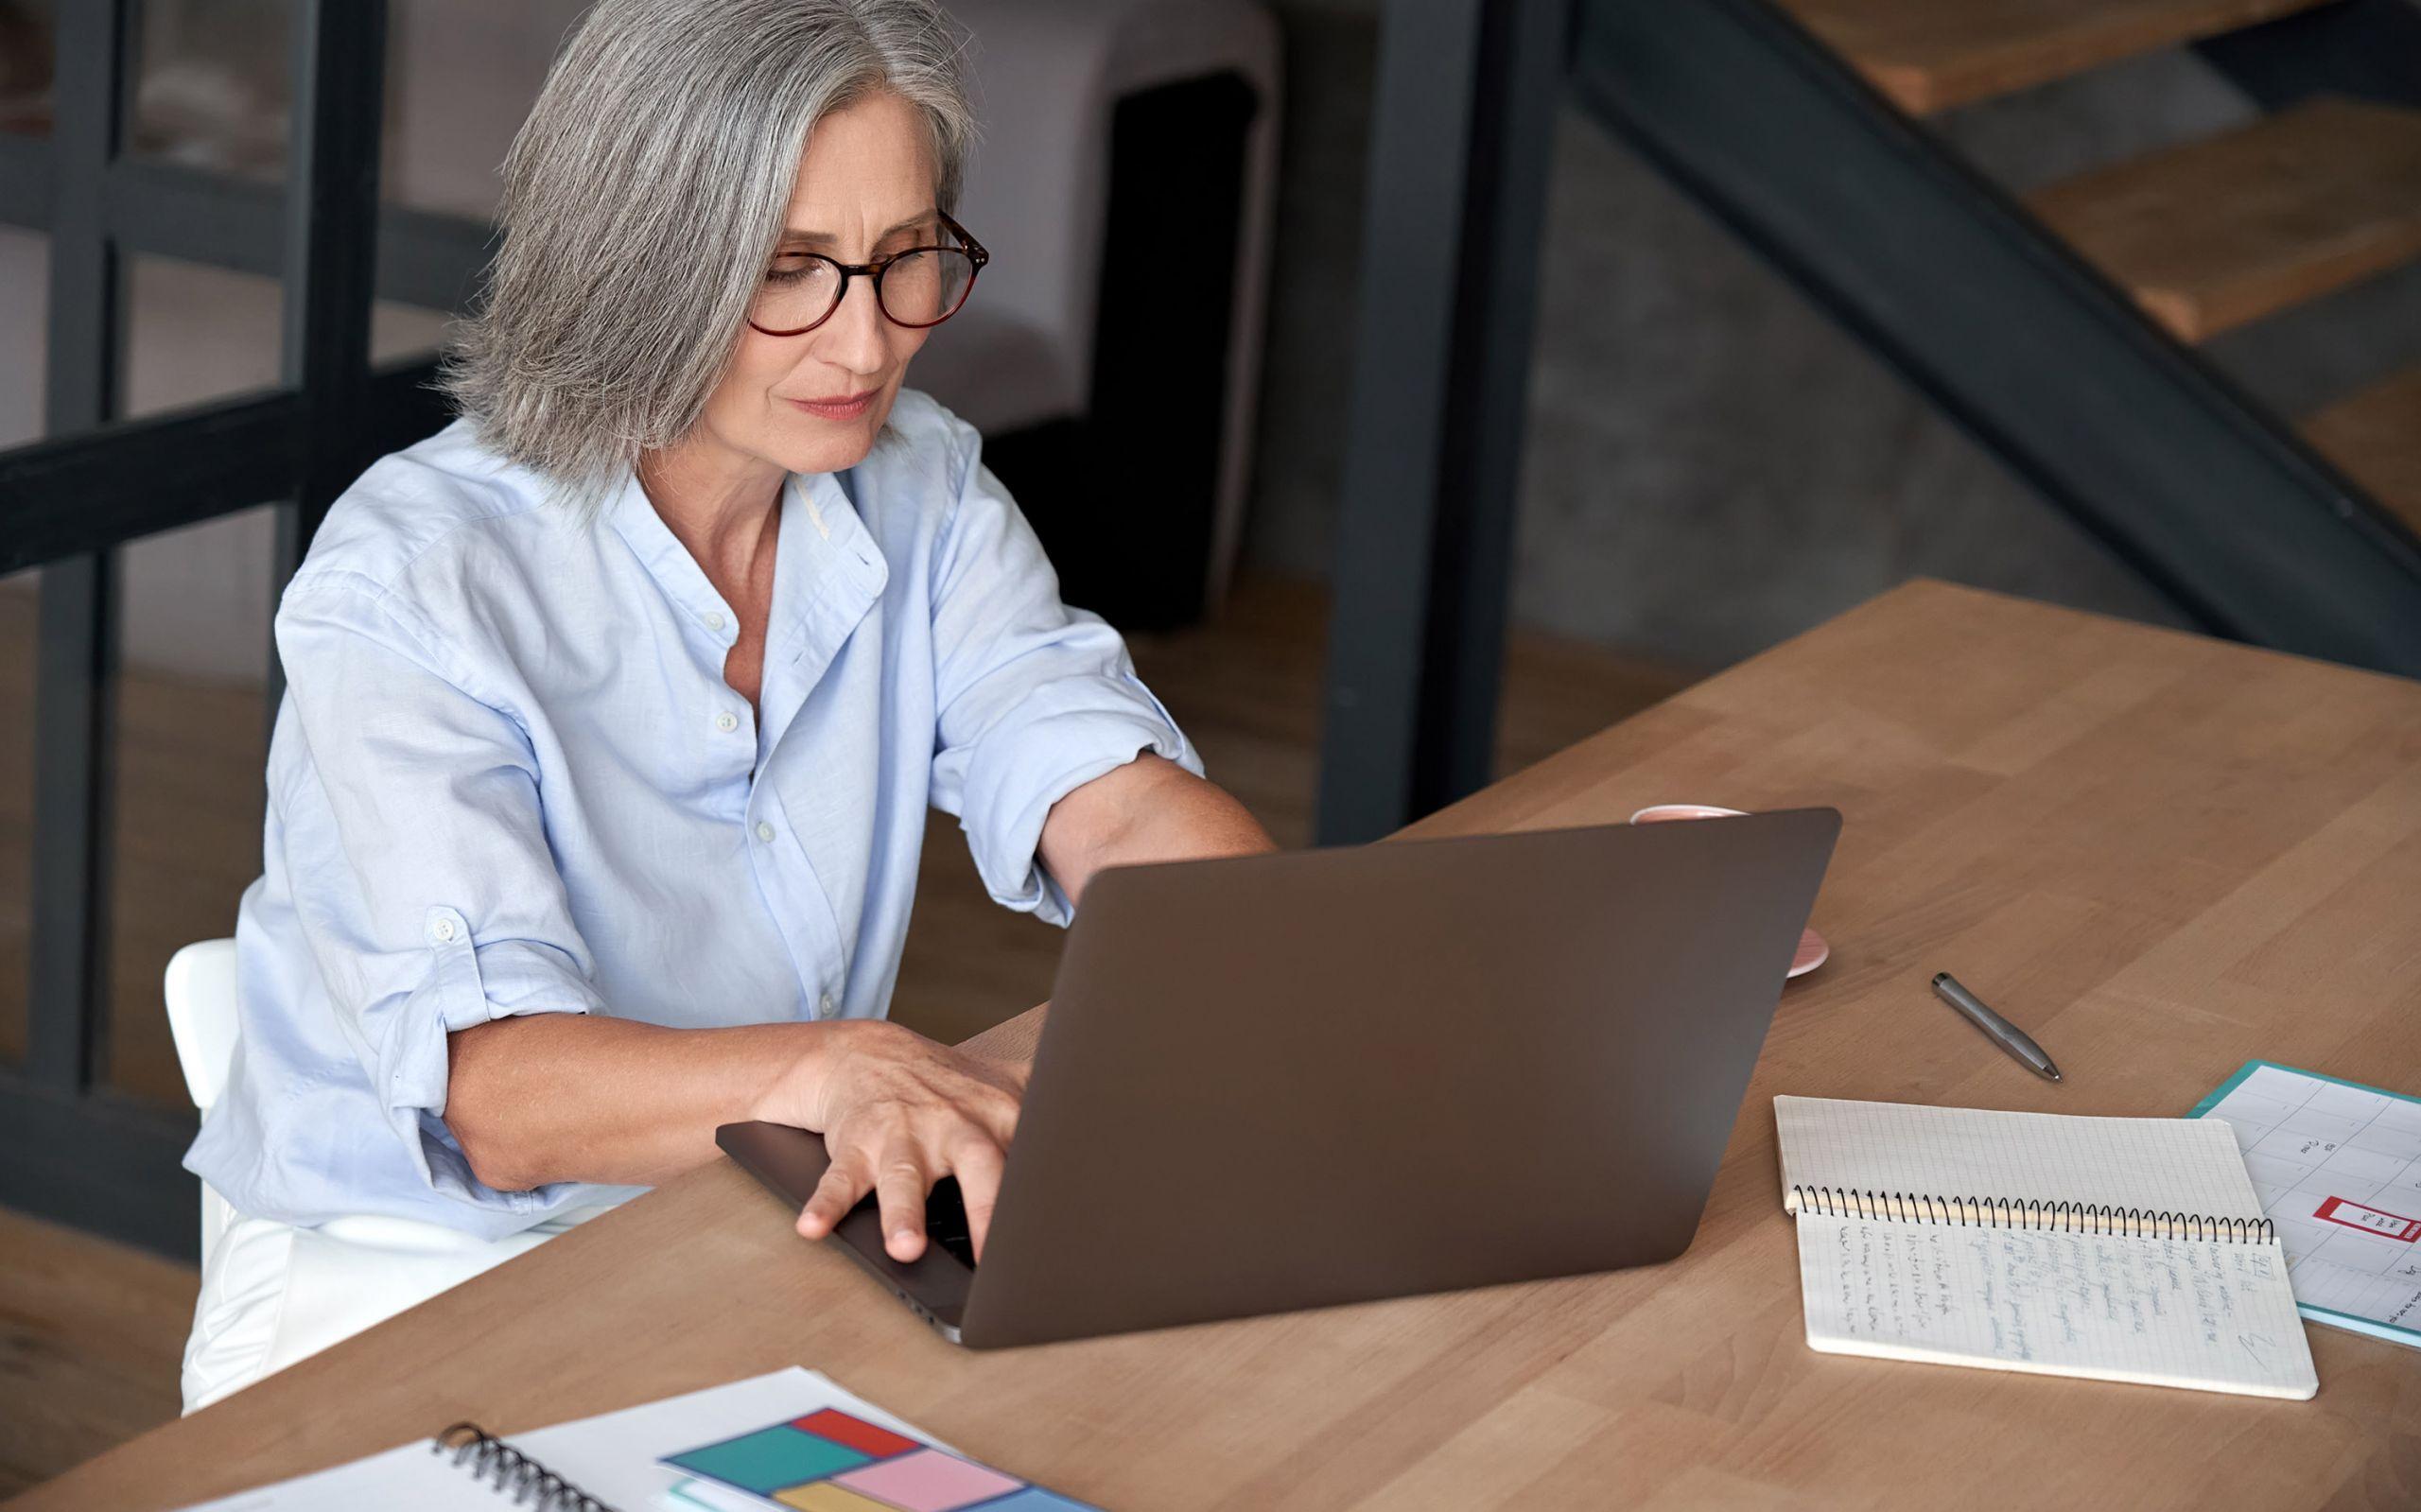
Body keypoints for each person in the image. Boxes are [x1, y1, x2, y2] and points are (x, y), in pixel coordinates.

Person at [179, 0, 1275, 1411]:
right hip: (411, 1278)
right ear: (640, 263)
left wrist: (1250, 956)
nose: (868, 345)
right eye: (791, 272)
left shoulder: (923, 490)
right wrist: (843, 1065)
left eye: (905, 262)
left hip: (744, 1226)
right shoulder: (416, 578)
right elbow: (502, 1103)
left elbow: (1104, 789)